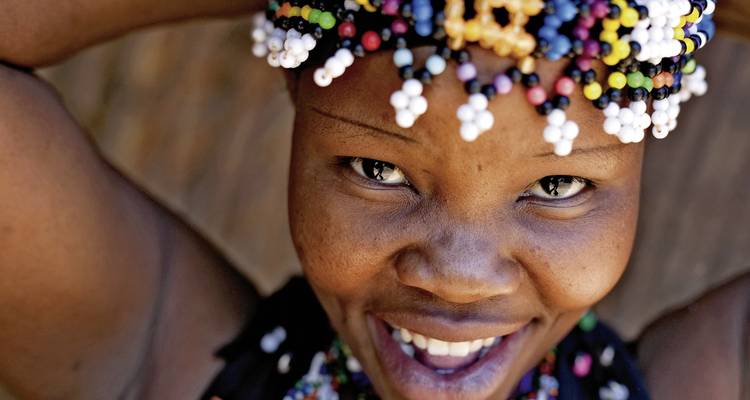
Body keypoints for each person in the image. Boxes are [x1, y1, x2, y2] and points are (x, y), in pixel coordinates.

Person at [0, 1, 747, 399]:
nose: (457, 274)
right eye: (376, 169)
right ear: (296, 88)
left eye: (556, 187)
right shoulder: (151, 357)